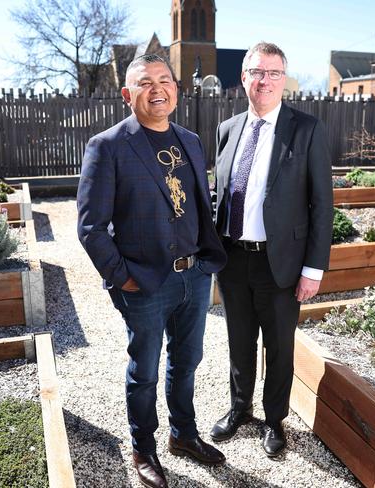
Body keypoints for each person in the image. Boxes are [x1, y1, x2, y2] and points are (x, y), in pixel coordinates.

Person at [77, 54, 227, 488]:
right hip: (143, 283)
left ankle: (184, 435)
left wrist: (205, 263)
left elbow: (200, 204)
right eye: (146, 82)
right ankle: (143, 448)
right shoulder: (108, 146)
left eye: (165, 80)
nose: (157, 89)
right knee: (144, 369)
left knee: (187, 360)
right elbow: (90, 226)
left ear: (176, 89)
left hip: (194, 277)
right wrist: (122, 275)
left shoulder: (191, 141)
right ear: (128, 94)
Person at [210, 42, 334, 458]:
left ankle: (274, 419)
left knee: (279, 346)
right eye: (256, 72)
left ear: (284, 79)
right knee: (238, 341)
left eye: (273, 73)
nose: (264, 81)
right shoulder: (227, 130)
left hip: (281, 263)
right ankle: (239, 409)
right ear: (243, 78)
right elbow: (220, 194)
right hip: (233, 259)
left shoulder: (306, 129)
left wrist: (313, 269)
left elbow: (322, 204)